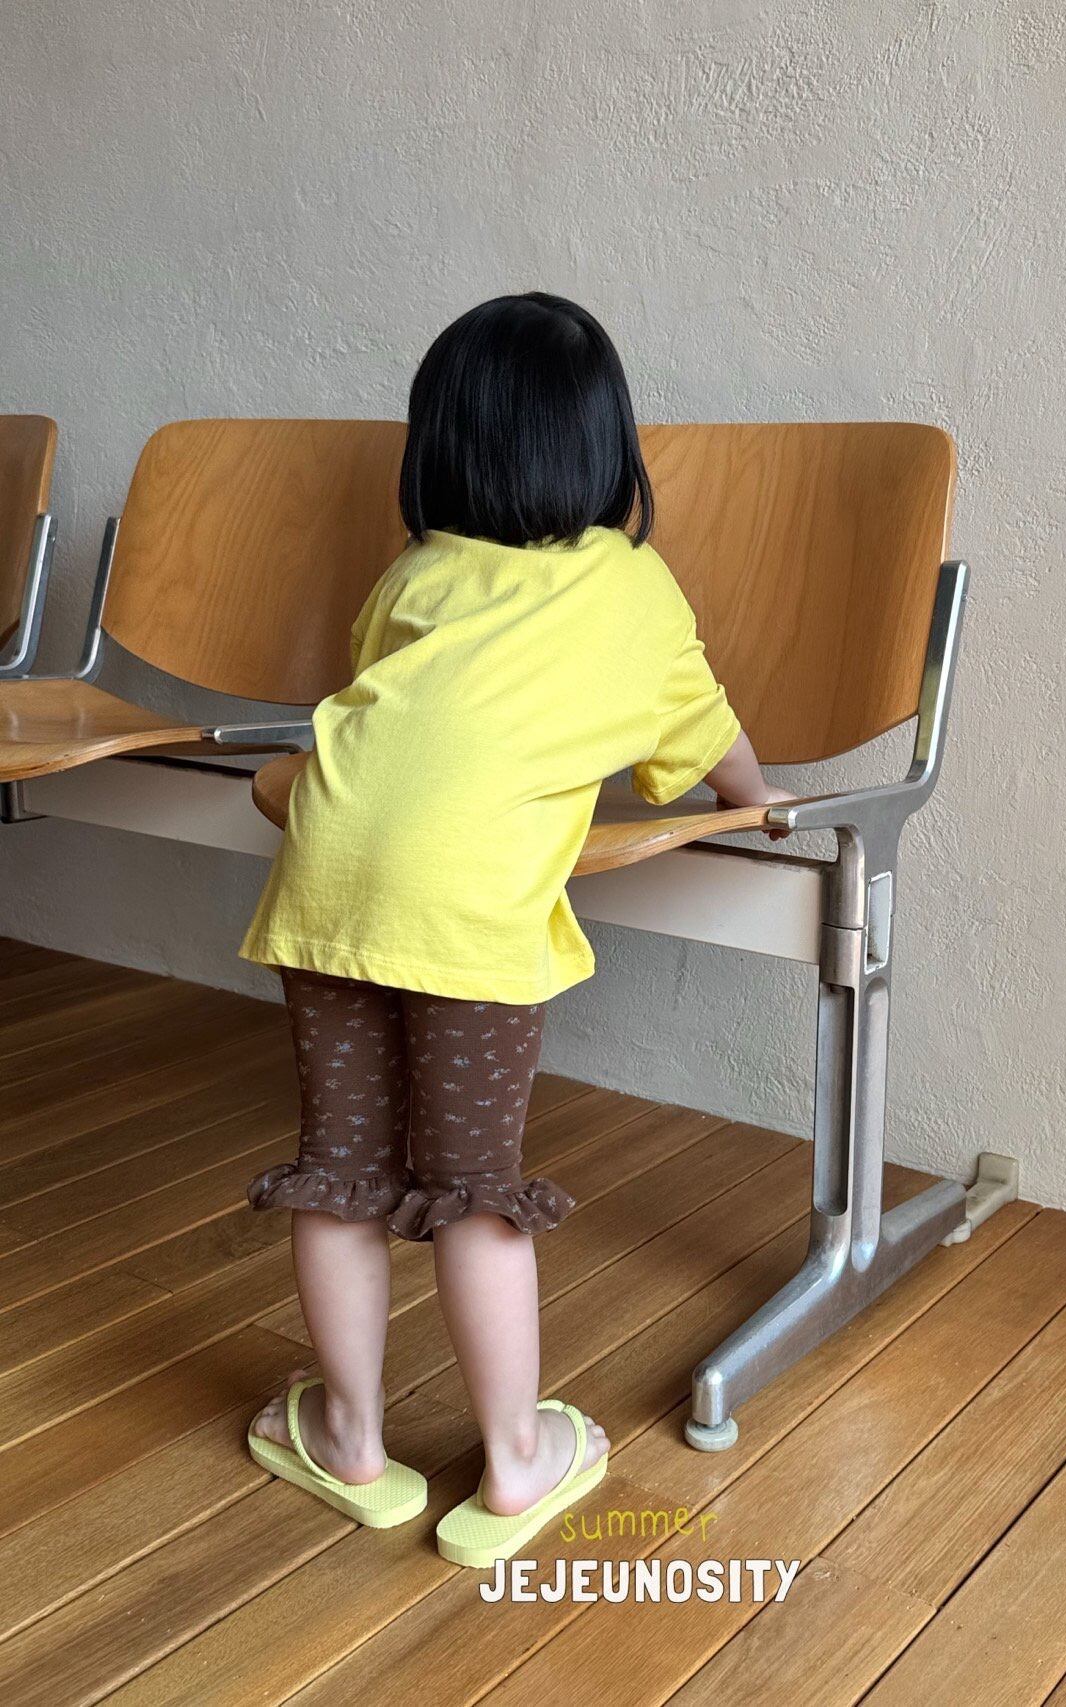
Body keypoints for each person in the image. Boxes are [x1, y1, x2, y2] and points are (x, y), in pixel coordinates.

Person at [240, 291, 791, 1565]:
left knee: (342, 1170)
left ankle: (352, 1444)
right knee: (475, 1192)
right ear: (606, 449)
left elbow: (385, 710)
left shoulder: (415, 572)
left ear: (438, 447)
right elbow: (708, 734)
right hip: (470, 923)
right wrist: (760, 804)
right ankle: (512, 1465)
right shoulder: (633, 588)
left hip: (327, 884)